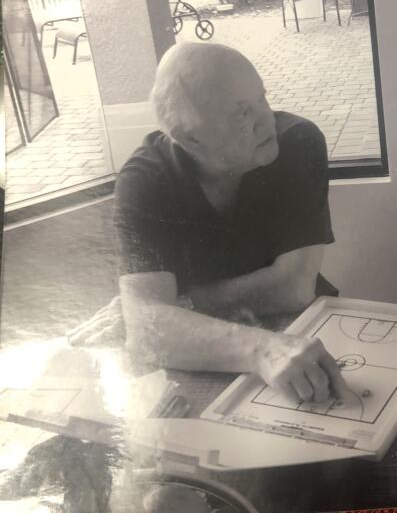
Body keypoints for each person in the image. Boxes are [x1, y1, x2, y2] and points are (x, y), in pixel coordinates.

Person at [68, 42, 347, 403]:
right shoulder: (144, 180)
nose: (266, 118)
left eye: (262, 97)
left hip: (307, 331)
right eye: (242, 113)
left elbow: (292, 287)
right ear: (189, 137)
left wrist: (175, 308)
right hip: (209, 360)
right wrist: (259, 350)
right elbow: (147, 335)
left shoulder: (298, 141)